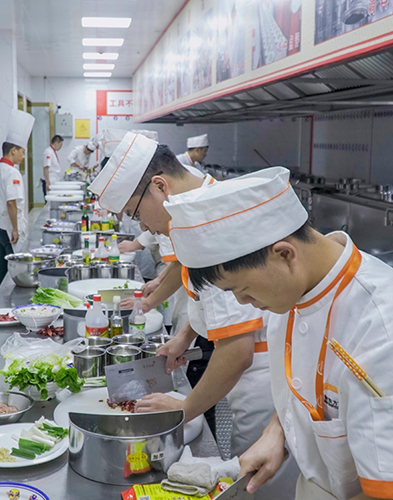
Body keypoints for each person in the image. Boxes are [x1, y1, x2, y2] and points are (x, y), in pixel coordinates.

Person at [89, 133, 299, 499]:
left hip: (261, 380)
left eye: (137, 214)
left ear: (160, 186)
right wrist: (186, 335)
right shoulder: (200, 203)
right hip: (257, 365)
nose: (143, 228)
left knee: (257, 485)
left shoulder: (210, 225)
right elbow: (212, 297)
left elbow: (237, 350)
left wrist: (183, 409)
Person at [167, 166, 393, 500]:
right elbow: (307, 385)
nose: (243, 302)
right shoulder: (295, 290)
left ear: (285, 254)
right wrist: (277, 431)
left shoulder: (379, 327)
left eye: (242, 289)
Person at [0, 109, 35, 289]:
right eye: (22, 152)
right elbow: (11, 203)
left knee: (1, 266)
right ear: (13, 150)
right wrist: (15, 228)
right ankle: (8, 298)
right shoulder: (11, 172)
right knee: (15, 267)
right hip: (8, 227)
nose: (23, 156)